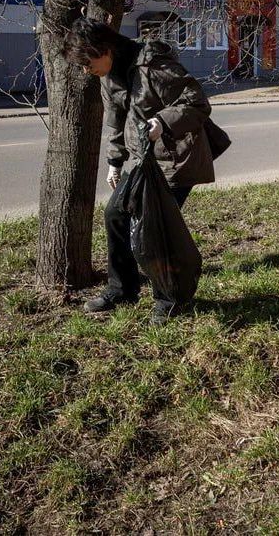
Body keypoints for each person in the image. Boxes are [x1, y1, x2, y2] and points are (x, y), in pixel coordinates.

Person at [62, 16, 215, 324]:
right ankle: (122, 288)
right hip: (141, 160)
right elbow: (116, 121)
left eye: (86, 62)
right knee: (115, 215)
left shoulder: (153, 65)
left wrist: (163, 120)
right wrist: (114, 162)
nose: (85, 70)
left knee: (155, 228)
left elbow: (198, 104)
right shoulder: (109, 75)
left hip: (175, 160)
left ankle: (169, 299)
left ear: (103, 49)